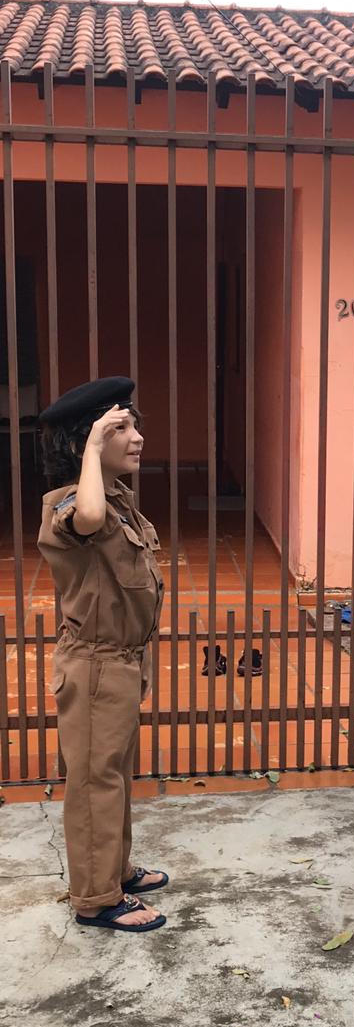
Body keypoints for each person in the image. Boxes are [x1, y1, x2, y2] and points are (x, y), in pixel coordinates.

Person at [38, 376, 168, 932]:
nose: (136, 438)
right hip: (93, 665)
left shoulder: (119, 500)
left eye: (135, 425)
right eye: (120, 428)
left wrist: (142, 660)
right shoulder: (72, 503)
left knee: (112, 774)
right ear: (84, 442)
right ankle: (95, 899)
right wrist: (92, 447)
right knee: (94, 782)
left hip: (121, 659)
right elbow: (87, 520)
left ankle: (115, 870)